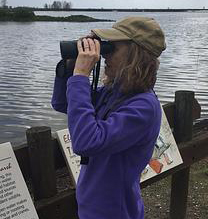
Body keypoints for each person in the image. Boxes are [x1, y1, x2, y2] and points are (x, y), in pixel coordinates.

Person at [52, 16, 166, 219]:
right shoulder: (114, 92)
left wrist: (80, 77)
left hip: (115, 211)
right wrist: (70, 66)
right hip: (93, 205)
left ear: (135, 55)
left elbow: (86, 142)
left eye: (111, 48)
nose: (104, 55)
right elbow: (64, 104)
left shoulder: (143, 107)